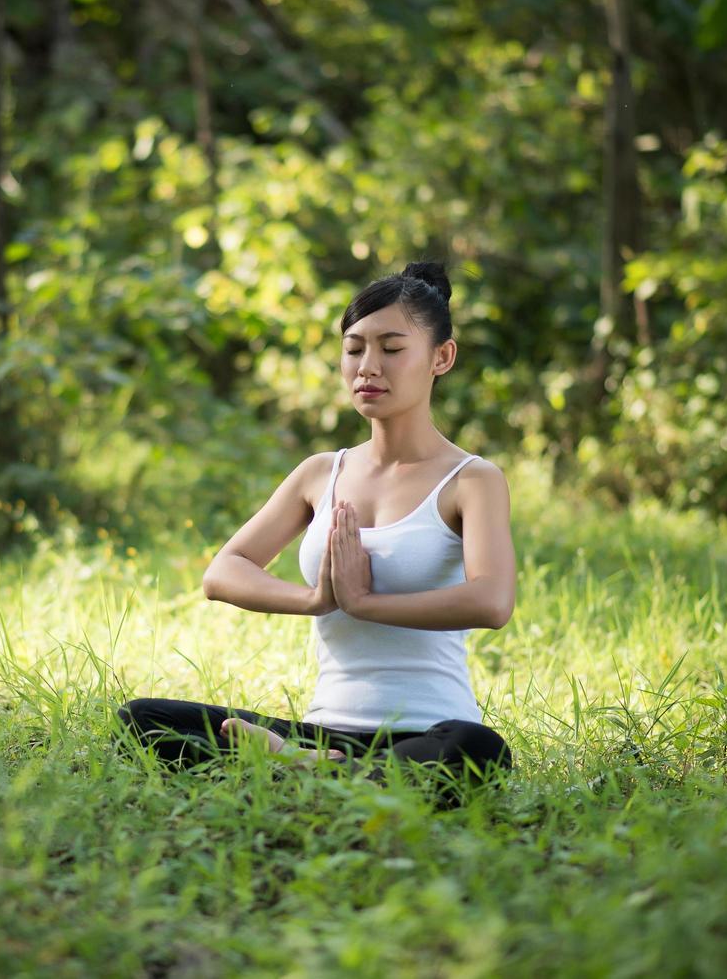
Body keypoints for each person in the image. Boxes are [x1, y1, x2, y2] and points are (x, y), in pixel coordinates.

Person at [115, 261, 517, 807]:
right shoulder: (320, 472)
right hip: (323, 733)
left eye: (392, 349)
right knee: (144, 719)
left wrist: (364, 603)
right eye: (354, 349)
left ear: (440, 358)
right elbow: (223, 572)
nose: (368, 367)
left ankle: (299, 773)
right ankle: (317, 768)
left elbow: (492, 600)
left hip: (429, 733)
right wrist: (316, 599)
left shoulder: (470, 480)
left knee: (478, 749)